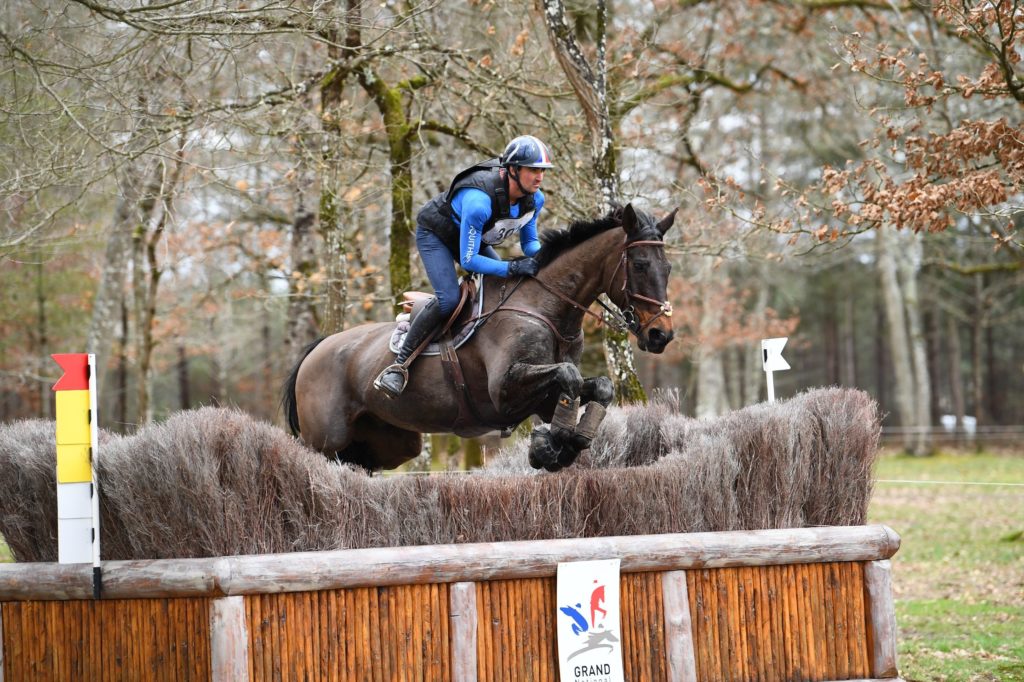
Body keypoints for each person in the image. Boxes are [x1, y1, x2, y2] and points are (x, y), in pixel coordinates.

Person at [374, 134, 554, 398]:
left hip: (470, 237)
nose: (539, 177)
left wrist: (554, 255)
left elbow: (530, 246)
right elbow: (468, 260)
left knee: (508, 288)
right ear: (513, 170)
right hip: (436, 234)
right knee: (449, 299)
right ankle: (398, 366)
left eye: (542, 171)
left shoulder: (534, 200)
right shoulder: (479, 201)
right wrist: (511, 268)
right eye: (533, 170)